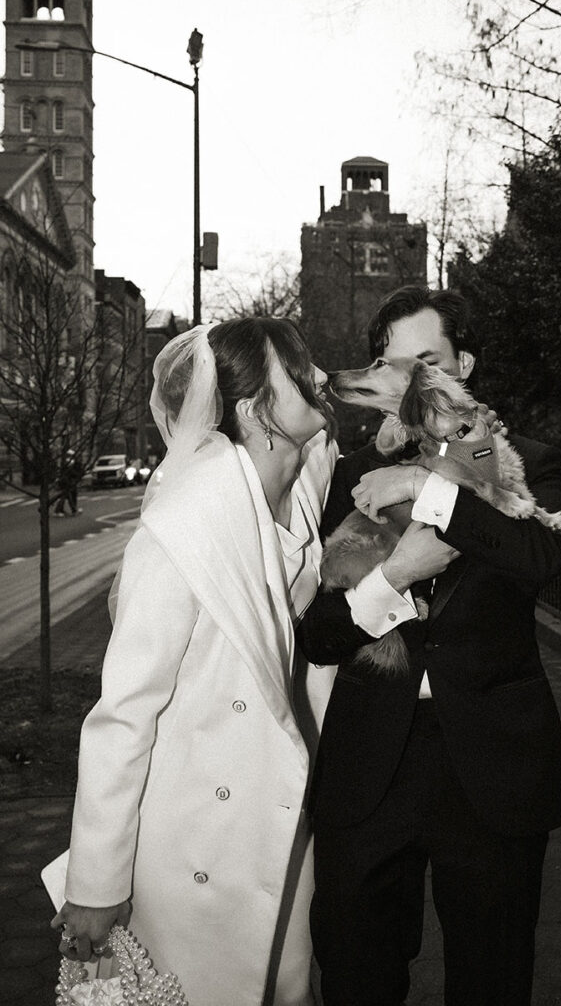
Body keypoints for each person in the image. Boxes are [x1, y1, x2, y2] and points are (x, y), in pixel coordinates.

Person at [298, 285, 561, 1006]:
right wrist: (392, 574)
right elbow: (319, 637)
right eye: (394, 364)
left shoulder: (529, 461)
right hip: (369, 768)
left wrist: (428, 489)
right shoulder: (344, 475)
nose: (413, 379)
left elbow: (538, 560)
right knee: (356, 976)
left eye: (429, 359)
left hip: (492, 767)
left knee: (492, 980)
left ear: (465, 363)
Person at [51, 318, 344, 1006]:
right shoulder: (179, 530)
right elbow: (124, 716)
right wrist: (95, 886)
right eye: (300, 374)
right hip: (193, 853)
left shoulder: (290, 482)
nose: (322, 379)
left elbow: (324, 447)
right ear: (254, 412)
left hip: (273, 833)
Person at [54, 449, 82, 516]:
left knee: (67, 496)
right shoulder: (69, 462)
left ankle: (64, 510)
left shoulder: (65, 461)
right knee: (66, 496)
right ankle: (61, 510)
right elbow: (70, 472)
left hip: (67, 481)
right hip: (67, 481)